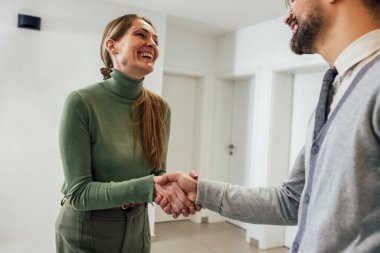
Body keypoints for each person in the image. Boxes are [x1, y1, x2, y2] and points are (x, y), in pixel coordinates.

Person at [154, 0, 380, 252]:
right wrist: (201, 191)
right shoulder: (334, 89)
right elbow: (291, 201)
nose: (286, 17)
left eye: (291, 1)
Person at [55, 14, 195, 253]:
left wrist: (175, 190)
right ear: (112, 45)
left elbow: (157, 174)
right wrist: (150, 186)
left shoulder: (161, 108)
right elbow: (79, 193)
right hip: (86, 231)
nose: (152, 43)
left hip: (137, 228)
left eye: (155, 40)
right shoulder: (81, 102)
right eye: (141, 34)